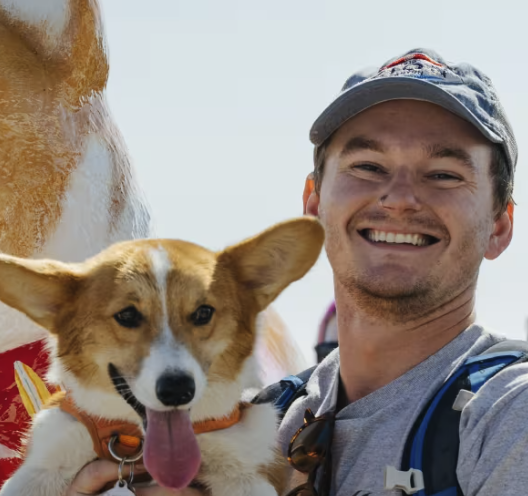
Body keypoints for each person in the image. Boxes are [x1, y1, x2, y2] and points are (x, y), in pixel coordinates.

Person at [65, 47, 528, 496]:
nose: (400, 197)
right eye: (368, 166)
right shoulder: (264, 419)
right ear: (313, 203)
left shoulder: (509, 411)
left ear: (499, 226)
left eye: (444, 174)